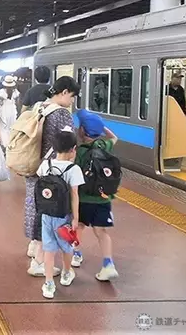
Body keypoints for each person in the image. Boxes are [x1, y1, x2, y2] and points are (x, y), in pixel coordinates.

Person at [25, 76, 80, 277]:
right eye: (72, 96)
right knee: (51, 213)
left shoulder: (40, 107)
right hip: (54, 173)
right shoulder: (61, 114)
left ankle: (33, 247)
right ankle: (39, 262)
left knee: (36, 207)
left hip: (35, 166)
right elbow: (68, 142)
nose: (72, 101)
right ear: (64, 92)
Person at [72, 109, 120, 281]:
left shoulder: (79, 152)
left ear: (82, 131)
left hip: (83, 199)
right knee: (101, 231)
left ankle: (76, 254)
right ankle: (108, 264)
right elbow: (114, 137)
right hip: (103, 199)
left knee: (79, 226)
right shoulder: (104, 146)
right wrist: (102, 128)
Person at [36, 129, 83, 299]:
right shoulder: (73, 169)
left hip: (47, 215)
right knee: (67, 247)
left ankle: (49, 284)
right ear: (73, 149)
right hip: (64, 216)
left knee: (49, 249)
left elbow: (39, 178)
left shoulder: (45, 165)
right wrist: (76, 218)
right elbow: (74, 195)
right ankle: (66, 273)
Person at [0, 75, 20, 147]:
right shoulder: (16, 92)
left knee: (3, 127)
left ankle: (4, 143)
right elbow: (18, 103)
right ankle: (11, 143)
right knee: (12, 127)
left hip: (4, 110)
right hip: (12, 110)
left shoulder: (1, 92)